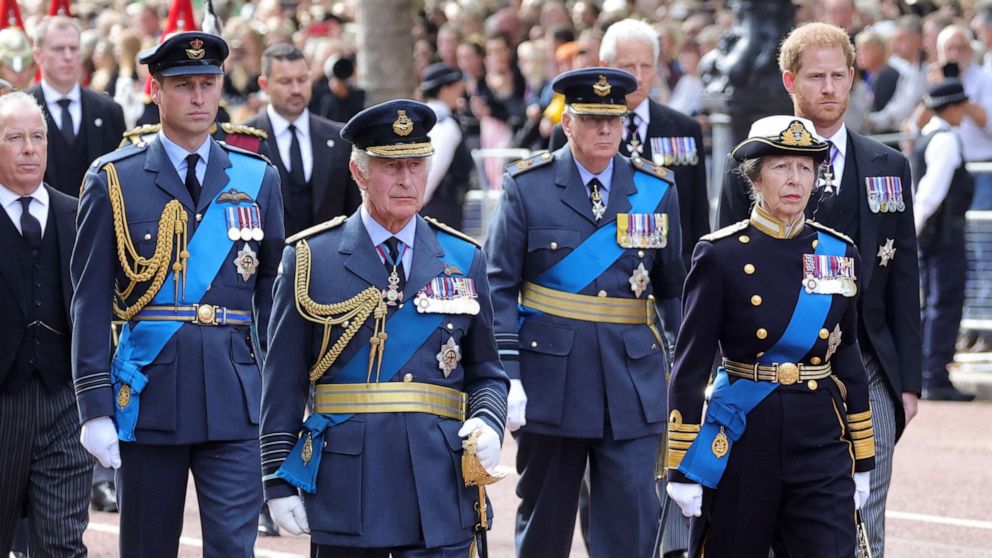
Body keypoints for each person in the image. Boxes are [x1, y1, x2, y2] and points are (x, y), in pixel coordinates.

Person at [260, 99, 509, 556]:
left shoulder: (462, 257)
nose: (407, 180)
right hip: (349, 485)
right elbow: (283, 383)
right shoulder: (309, 260)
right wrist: (276, 477)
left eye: (417, 165)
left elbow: (487, 371)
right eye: (391, 167)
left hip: (438, 482)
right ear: (359, 174)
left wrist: (489, 421)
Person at [70, 31, 284, 557]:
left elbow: (275, 302)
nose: (198, 97)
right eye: (183, 84)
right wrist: (94, 406)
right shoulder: (114, 179)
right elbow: (90, 300)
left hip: (235, 396)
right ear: (155, 90)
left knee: (236, 549)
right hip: (150, 396)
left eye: (207, 84)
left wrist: (280, 397)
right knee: (148, 547)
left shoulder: (258, 178)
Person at [718, 23, 921, 558]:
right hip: (772, 370)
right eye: (816, 77)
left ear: (853, 78)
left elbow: (905, 277)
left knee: (864, 509)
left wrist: (911, 380)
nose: (829, 88)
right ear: (790, 81)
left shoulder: (889, 165)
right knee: (764, 515)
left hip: (868, 365)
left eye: (839, 76)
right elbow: (722, 270)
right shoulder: (748, 163)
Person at [486, 67, 684, 558]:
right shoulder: (526, 186)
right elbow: (498, 286)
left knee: (633, 526)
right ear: (568, 122)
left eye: (613, 121)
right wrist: (507, 376)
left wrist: (685, 368)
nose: (604, 130)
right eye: (592, 119)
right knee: (545, 525)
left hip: (633, 381)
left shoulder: (656, 190)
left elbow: (674, 290)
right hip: (551, 379)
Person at [665, 115, 874, 557]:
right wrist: (680, 462)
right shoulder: (720, 253)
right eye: (781, 167)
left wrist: (864, 457)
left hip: (819, 436)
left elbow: (848, 353)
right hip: (744, 438)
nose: (795, 180)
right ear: (755, 179)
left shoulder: (840, 253)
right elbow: (692, 362)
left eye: (805, 168)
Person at [0, 91, 91, 558]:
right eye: (15, 138)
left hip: (62, 403)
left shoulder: (76, 214)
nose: (29, 149)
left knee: (62, 544)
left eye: (37, 137)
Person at [549, 18, 710, 266]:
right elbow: (559, 211)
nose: (638, 77)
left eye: (646, 66)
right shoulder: (569, 131)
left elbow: (697, 217)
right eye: (628, 66)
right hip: (598, 272)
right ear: (605, 66)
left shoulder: (685, 129)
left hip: (671, 272)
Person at [246, 43, 361, 239]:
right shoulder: (244, 140)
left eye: (302, 79)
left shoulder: (339, 137)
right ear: (264, 85)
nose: (296, 89)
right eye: (285, 82)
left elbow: (353, 212)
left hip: (328, 262)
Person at [913, 77, 976, 401]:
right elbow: (931, 193)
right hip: (943, 236)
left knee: (935, 302)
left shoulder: (927, 136)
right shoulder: (946, 140)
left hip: (933, 234)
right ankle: (934, 374)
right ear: (951, 107)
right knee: (944, 303)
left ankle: (929, 371)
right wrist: (916, 228)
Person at [29, 16, 126, 197]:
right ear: (38, 55)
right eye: (58, 49)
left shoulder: (109, 111)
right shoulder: (19, 111)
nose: (68, 56)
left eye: (73, 48)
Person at [420, 62, 474, 229]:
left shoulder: (423, 118)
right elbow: (433, 171)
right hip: (440, 211)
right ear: (444, 90)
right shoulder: (445, 124)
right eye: (457, 89)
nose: (460, 95)